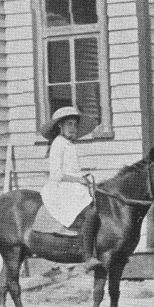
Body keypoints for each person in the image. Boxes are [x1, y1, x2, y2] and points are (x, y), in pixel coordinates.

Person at [39, 106, 101, 270]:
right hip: (61, 189)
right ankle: (88, 256)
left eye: (75, 124)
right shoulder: (58, 144)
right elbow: (56, 175)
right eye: (69, 124)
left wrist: (82, 179)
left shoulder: (68, 144)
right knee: (91, 213)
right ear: (60, 125)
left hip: (73, 186)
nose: (73, 128)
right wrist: (78, 180)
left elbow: (71, 170)